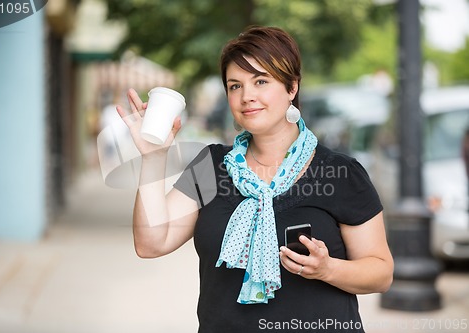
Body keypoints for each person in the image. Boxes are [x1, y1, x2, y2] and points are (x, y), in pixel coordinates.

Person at [116, 26, 393, 333]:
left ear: (292, 88)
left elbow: (380, 273)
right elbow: (151, 243)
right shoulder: (212, 166)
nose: (247, 96)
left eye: (261, 81)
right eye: (235, 86)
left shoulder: (339, 173)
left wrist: (328, 269)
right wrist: (153, 158)